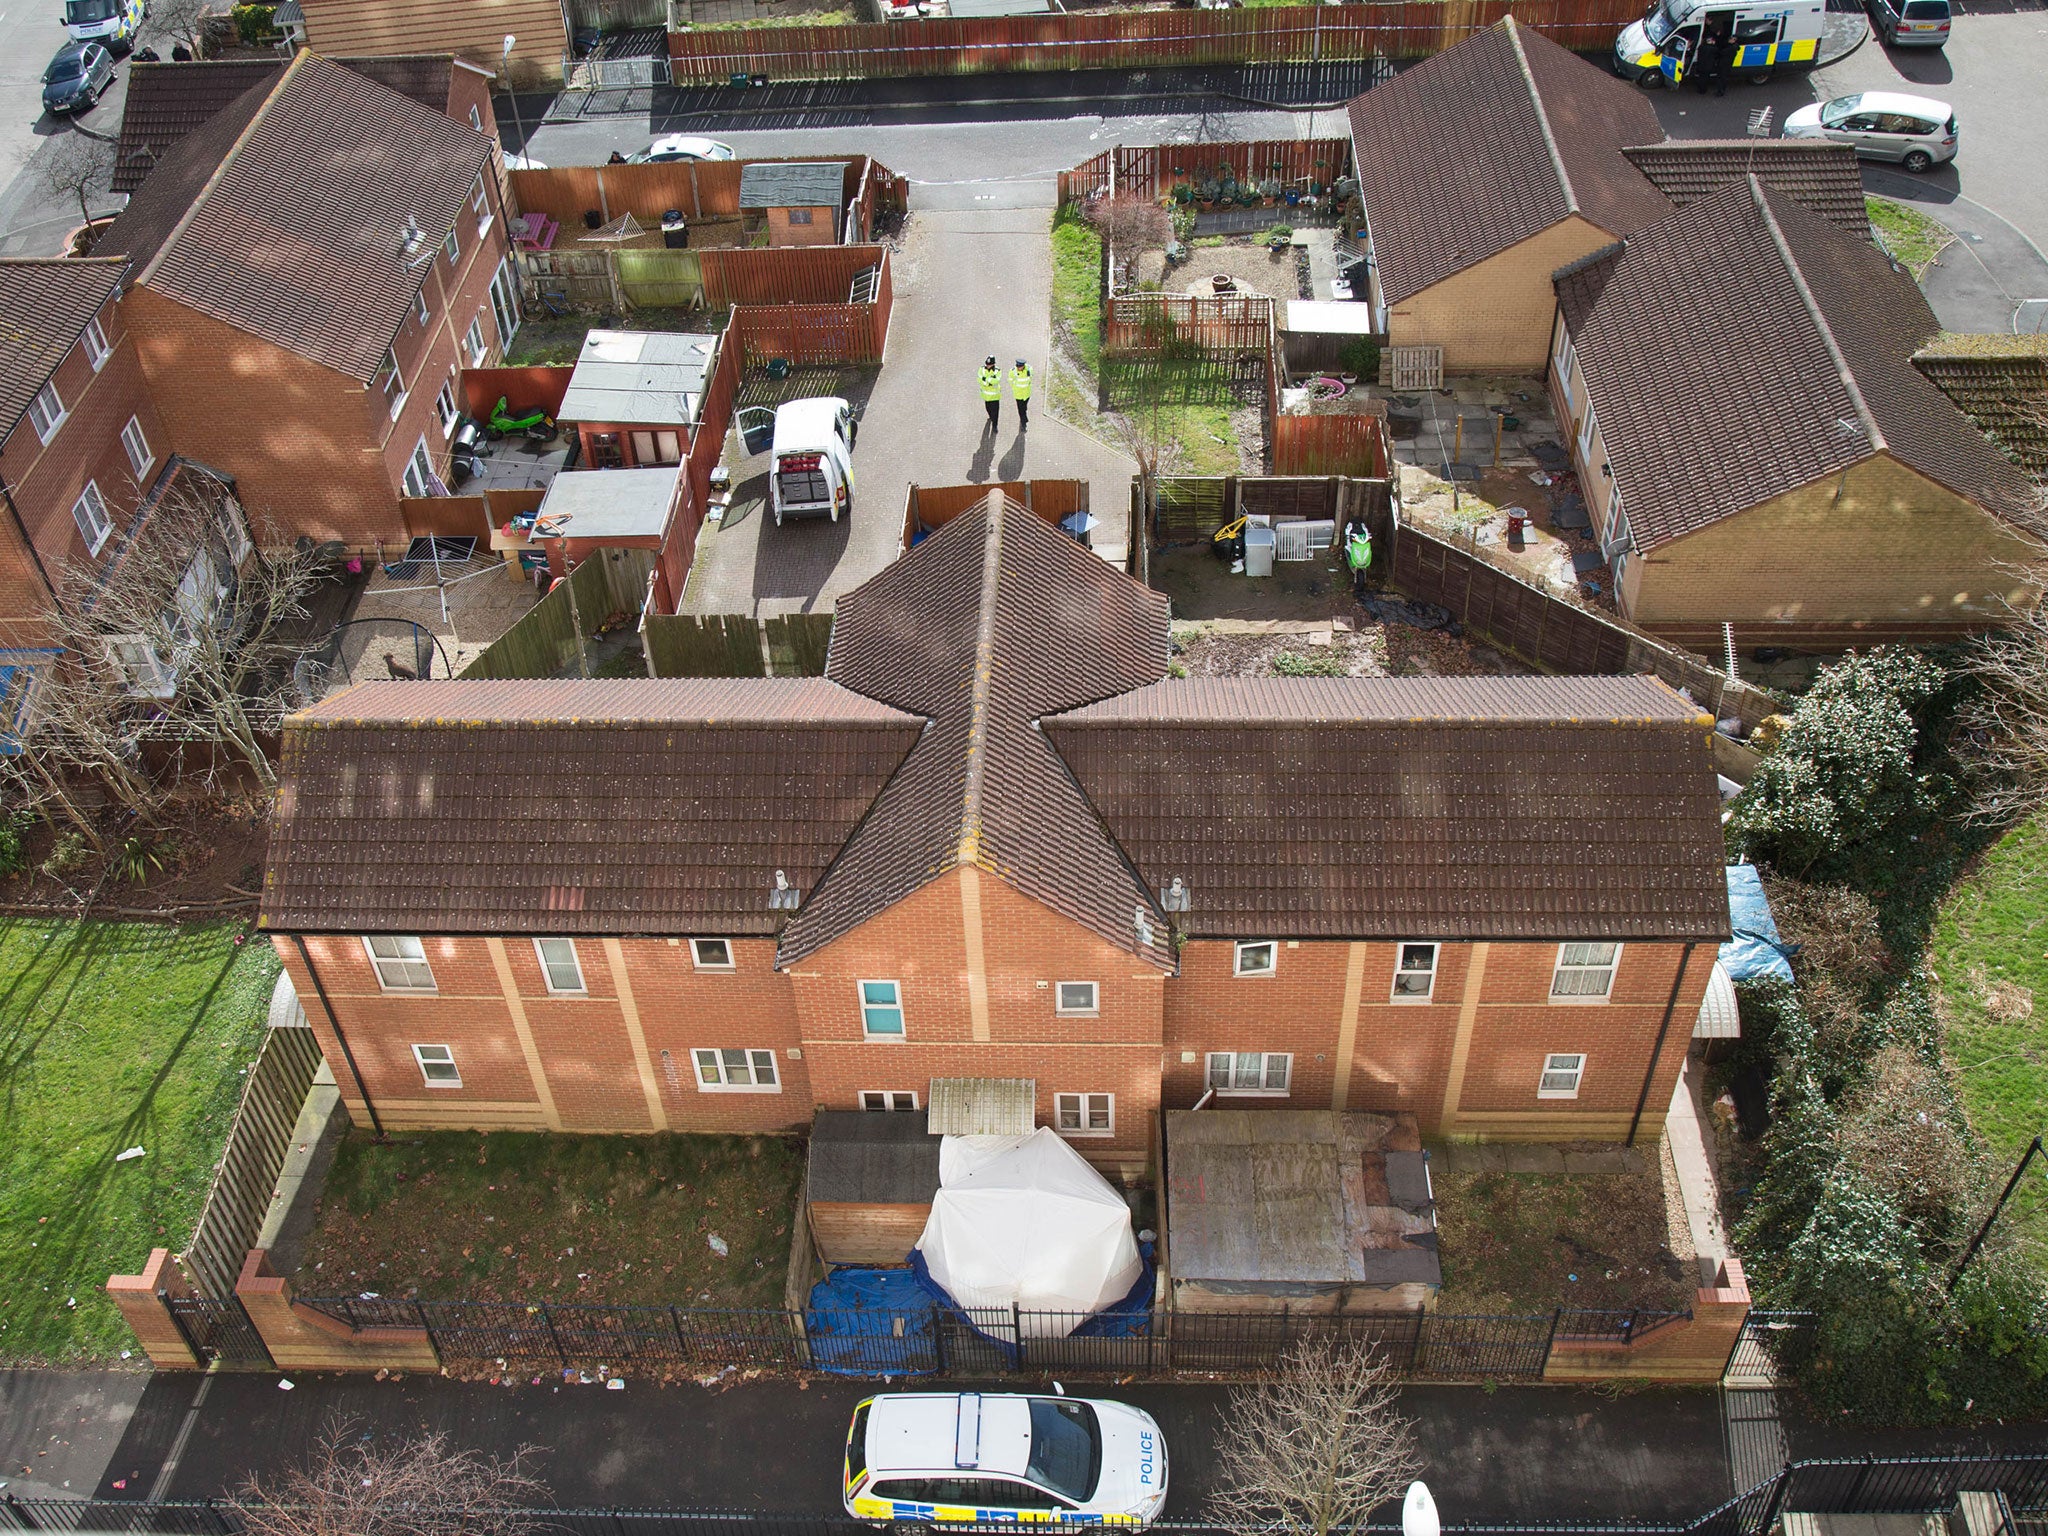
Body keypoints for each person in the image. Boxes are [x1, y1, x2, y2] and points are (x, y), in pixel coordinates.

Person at [1344, 519, 1373, 600]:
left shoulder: (1364, 534)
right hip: (1354, 543)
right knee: (1349, 548)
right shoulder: (1351, 534)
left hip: (1361, 543)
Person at [978, 356, 1002, 434]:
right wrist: (989, 382)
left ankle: (995, 425)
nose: (988, 366)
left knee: (995, 412)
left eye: (990, 364)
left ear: (993, 364)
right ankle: (991, 418)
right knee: (988, 409)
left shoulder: (997, 371)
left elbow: (996, 381)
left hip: (995, 396)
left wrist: (986, 380)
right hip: (986, 396)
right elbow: (979, 379)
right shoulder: (982, 369)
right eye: (987, 364)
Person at [1010, 359, 1032, 430]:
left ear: (1023, 366)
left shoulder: (1029, 369)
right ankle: (1024, 423)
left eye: (1020, 367)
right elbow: (1010, 380)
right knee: (1021, 410)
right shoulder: (1013, 371)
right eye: (1017, 367)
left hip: (1026, 393)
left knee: (1024, 407)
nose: (1018, 368)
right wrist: (1014, 387)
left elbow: (1031, 377)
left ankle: (1024, 416)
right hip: (1018, 394)